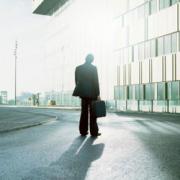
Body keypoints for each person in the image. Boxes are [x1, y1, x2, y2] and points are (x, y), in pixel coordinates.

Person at [73, 54, 101, 137]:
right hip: (92, 94)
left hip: (83, 94)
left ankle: (83, 131)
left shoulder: (78, 68)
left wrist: (80, 91)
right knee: (93, 114)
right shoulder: (93, 68)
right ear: (92, 60)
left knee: (84, 112)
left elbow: (76, 81)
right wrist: (98, 94)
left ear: (85, 59)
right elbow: (96, 82)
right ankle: (94, 132)